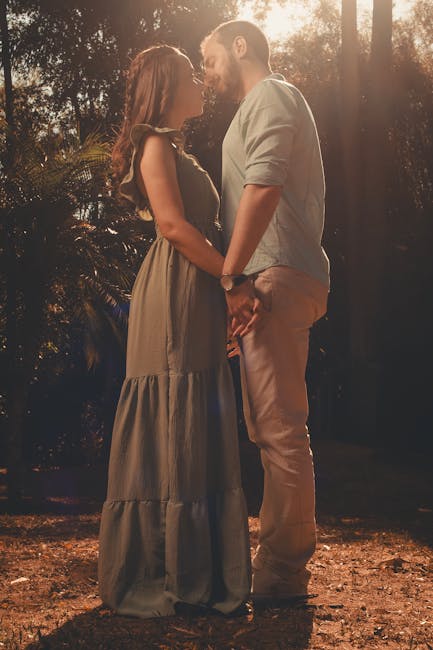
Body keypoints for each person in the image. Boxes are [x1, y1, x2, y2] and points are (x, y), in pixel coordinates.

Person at [97, 45, 251, 619]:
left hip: (195, 287)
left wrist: (222, 285)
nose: (200, 83)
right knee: (176, 414)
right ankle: (169, 571)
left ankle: (196, 567)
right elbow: (171, 224)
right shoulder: (155, 143)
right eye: (191, 75)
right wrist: (231, 277)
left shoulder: (173, 146)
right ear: (166, 87)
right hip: (177, 288)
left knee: (192, 416)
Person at [201, 21, 330, 600]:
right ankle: (277, 562)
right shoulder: (252, 110)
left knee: (279, 429)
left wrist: (231, 277)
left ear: (240, 46)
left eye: (209, 60)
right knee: (269, 427)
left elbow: (264, 186)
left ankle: (284, 570)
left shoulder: (273, 95)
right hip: (266, 274)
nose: (207, 75)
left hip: (273, 274)